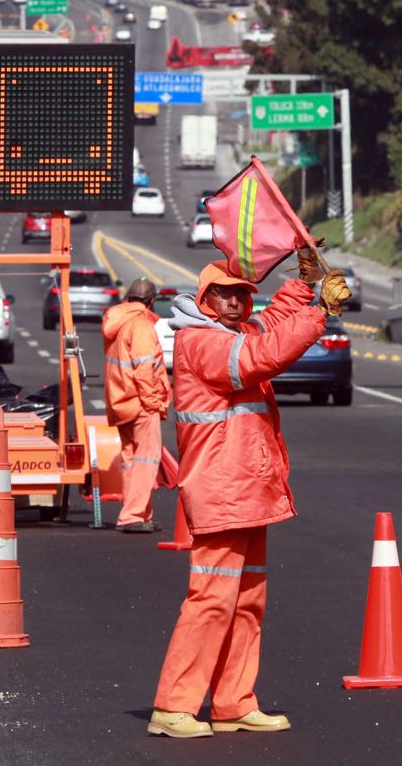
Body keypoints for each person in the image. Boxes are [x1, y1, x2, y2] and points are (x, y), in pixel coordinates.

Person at [147, 249, 350, 739]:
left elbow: (270, 325)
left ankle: (233, 703)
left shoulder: (230, 334)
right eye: (225, 294)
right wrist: (320, 312)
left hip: (246, 491)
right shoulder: (201, 342)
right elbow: (260, 357)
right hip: (222, 492)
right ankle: (173, 706)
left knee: (246, 602)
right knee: (212, 601)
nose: (236, 302)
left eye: (241, 294)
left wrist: (302, 285)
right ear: (205, 299)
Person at [102, 278, 171, 532]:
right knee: (146, 460)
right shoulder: (141, 326)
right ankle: (132, 516)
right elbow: (144, 370)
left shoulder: (118, 322)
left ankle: (140, 514)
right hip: (141, 404)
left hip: (122, 401)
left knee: (132, 460)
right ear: (151, 301)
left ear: (128, 298)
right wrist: (154, 403)